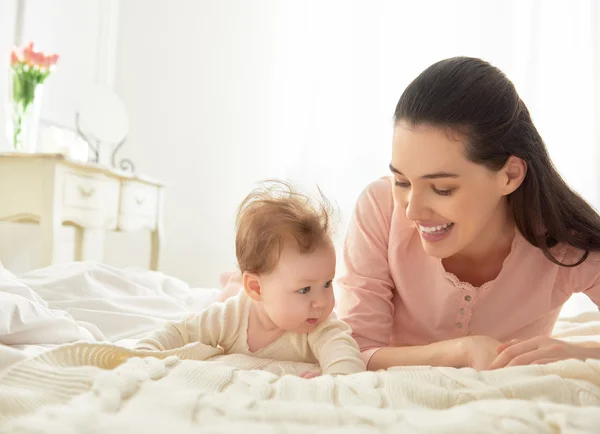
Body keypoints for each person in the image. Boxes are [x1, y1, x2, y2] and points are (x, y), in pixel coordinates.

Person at [336, 56, 600, 371]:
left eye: (442, 189)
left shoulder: (566, 246)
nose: (413, 210)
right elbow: (355, 353)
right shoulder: (380, 209)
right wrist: (459, 352)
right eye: (402, 181)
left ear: (509, 176)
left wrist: (575, 352)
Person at [136, 181, 365, 377]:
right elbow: (179, 332)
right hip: (241, 294)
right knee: (228, 295)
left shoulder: (319, 326)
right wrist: (143, 354)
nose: (322, 302)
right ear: (256, 287)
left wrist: (330, 381)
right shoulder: (229, 317)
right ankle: (233, 282)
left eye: (327, 284)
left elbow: (347, 361)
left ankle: (234, 282)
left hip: (252, 289)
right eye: (305, 290)